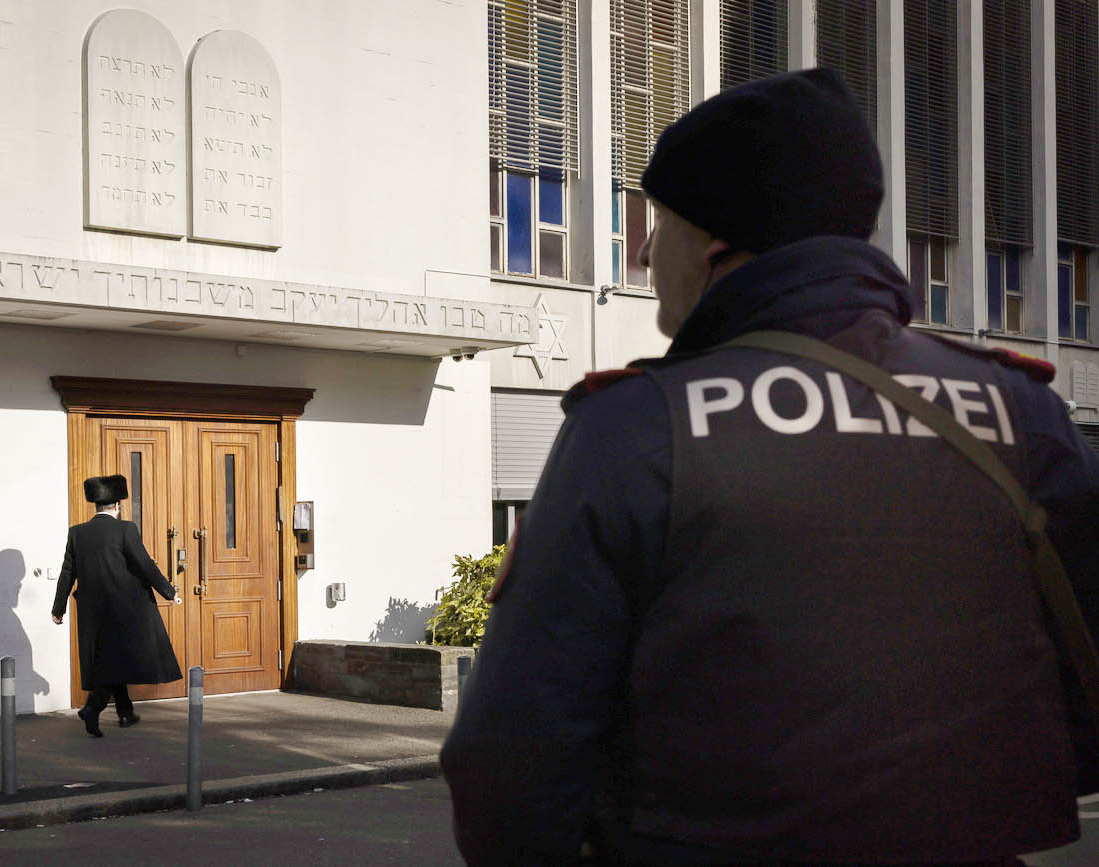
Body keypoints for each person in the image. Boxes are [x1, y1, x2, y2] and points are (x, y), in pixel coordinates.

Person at [441, 68, 1099, 865]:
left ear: (718, 236)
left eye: (660, 220)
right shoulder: (1024, 416)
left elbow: (507, 775)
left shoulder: (639, 430)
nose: (646, 251)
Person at [52, 474, 182, 737]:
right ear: (117, 506)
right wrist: (169, 592)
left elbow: (68, 572)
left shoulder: (77, 533)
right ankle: (93, 707)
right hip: (125, 611)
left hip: (93, 613)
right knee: (116, 661)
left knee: (111, 660)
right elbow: (145, 565)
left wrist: (58, 609)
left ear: (97, 506)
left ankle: (125, 712)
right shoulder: (126, 529)